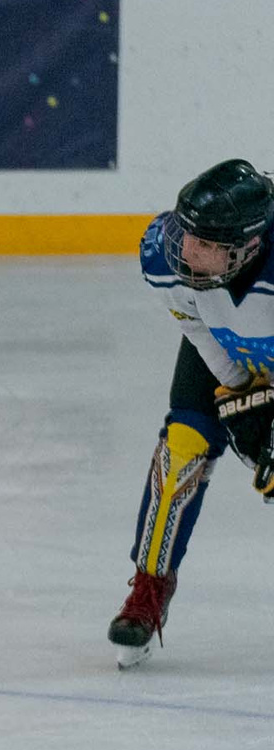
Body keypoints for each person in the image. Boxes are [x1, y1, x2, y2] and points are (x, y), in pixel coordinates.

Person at [110, 157, 274, 667]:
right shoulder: (164, 251)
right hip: (220, 353)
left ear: (247, 247)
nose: (187, 251)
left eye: (204, 246)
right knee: (183, 445)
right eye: (187, 236)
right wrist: (237, 393)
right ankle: (151, 584)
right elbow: (198, 326)